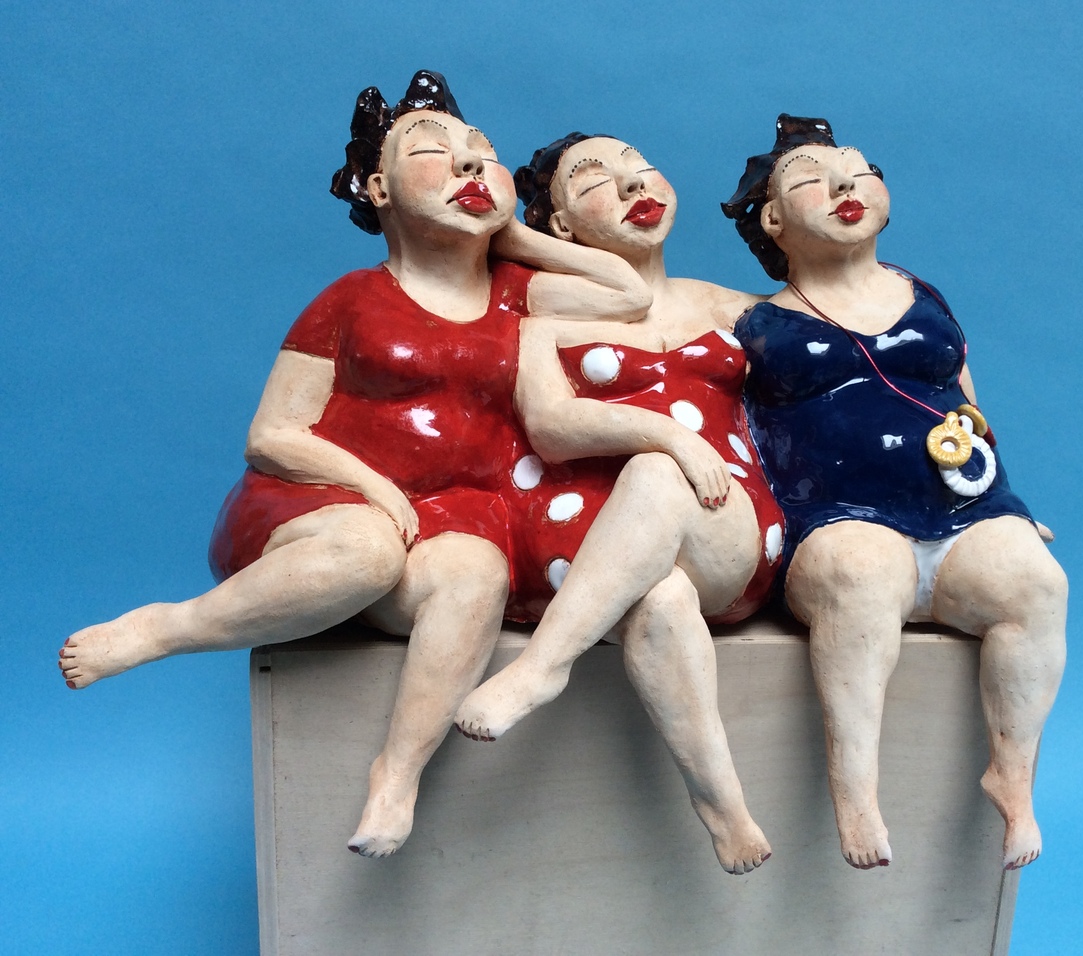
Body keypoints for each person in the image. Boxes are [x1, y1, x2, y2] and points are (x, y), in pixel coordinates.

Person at [56, 71, 650, 859]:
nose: (470, 163)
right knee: (366, 552)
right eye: (435, 151)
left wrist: (513, 232)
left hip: (456, 514)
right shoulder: (350, 299)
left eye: (483, 153)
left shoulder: (519, 293)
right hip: (323, 499)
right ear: (378, 189)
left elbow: (626, 293)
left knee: (476, 575)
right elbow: (273, 433)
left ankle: (397, 774)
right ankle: (169, 627)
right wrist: (372, 489)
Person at [722, 115, 1067, 871]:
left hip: (959, 509)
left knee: (1036, 583)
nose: (844, 183)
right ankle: (856, 795)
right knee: (863, 574)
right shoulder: (749, 318)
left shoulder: (925, 294)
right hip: (834, 518)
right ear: (773, 220)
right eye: (812, 178)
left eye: (859, 169)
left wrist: (1006, 499)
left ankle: (1011, 777)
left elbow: (966, 402)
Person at [451, 133, 783, 874]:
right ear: (559, 226)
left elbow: (860, 349)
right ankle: (723, 806)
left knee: (658, 476)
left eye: (644, 168)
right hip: (589, 540)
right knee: (660, 600)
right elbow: (551, 427)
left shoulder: (730, 306)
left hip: (722, 518)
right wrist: (666, 432)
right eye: (598, 179)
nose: (635, 184)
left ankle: (543, 666)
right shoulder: (539, 321)